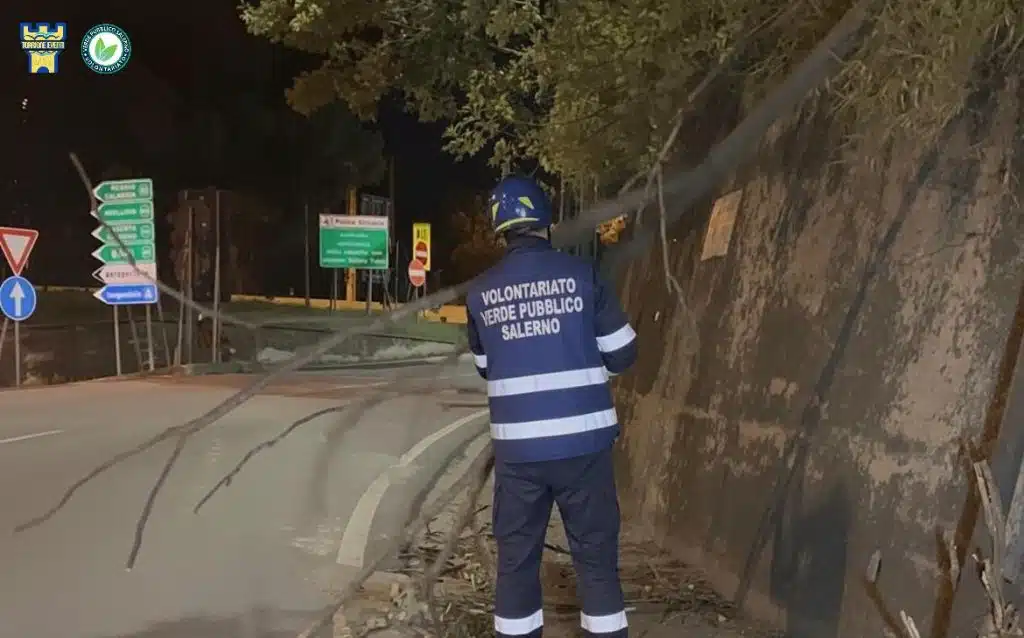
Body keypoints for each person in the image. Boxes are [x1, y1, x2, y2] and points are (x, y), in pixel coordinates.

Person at [465, 175, 638, 638]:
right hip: (584, 449)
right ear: (546, 221)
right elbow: (623, 352)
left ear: (500, 229)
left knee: (516, 565)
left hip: (519, 457)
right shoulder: (583, 276)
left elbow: (486, 366)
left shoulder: (480, 293)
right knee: (596, 562)